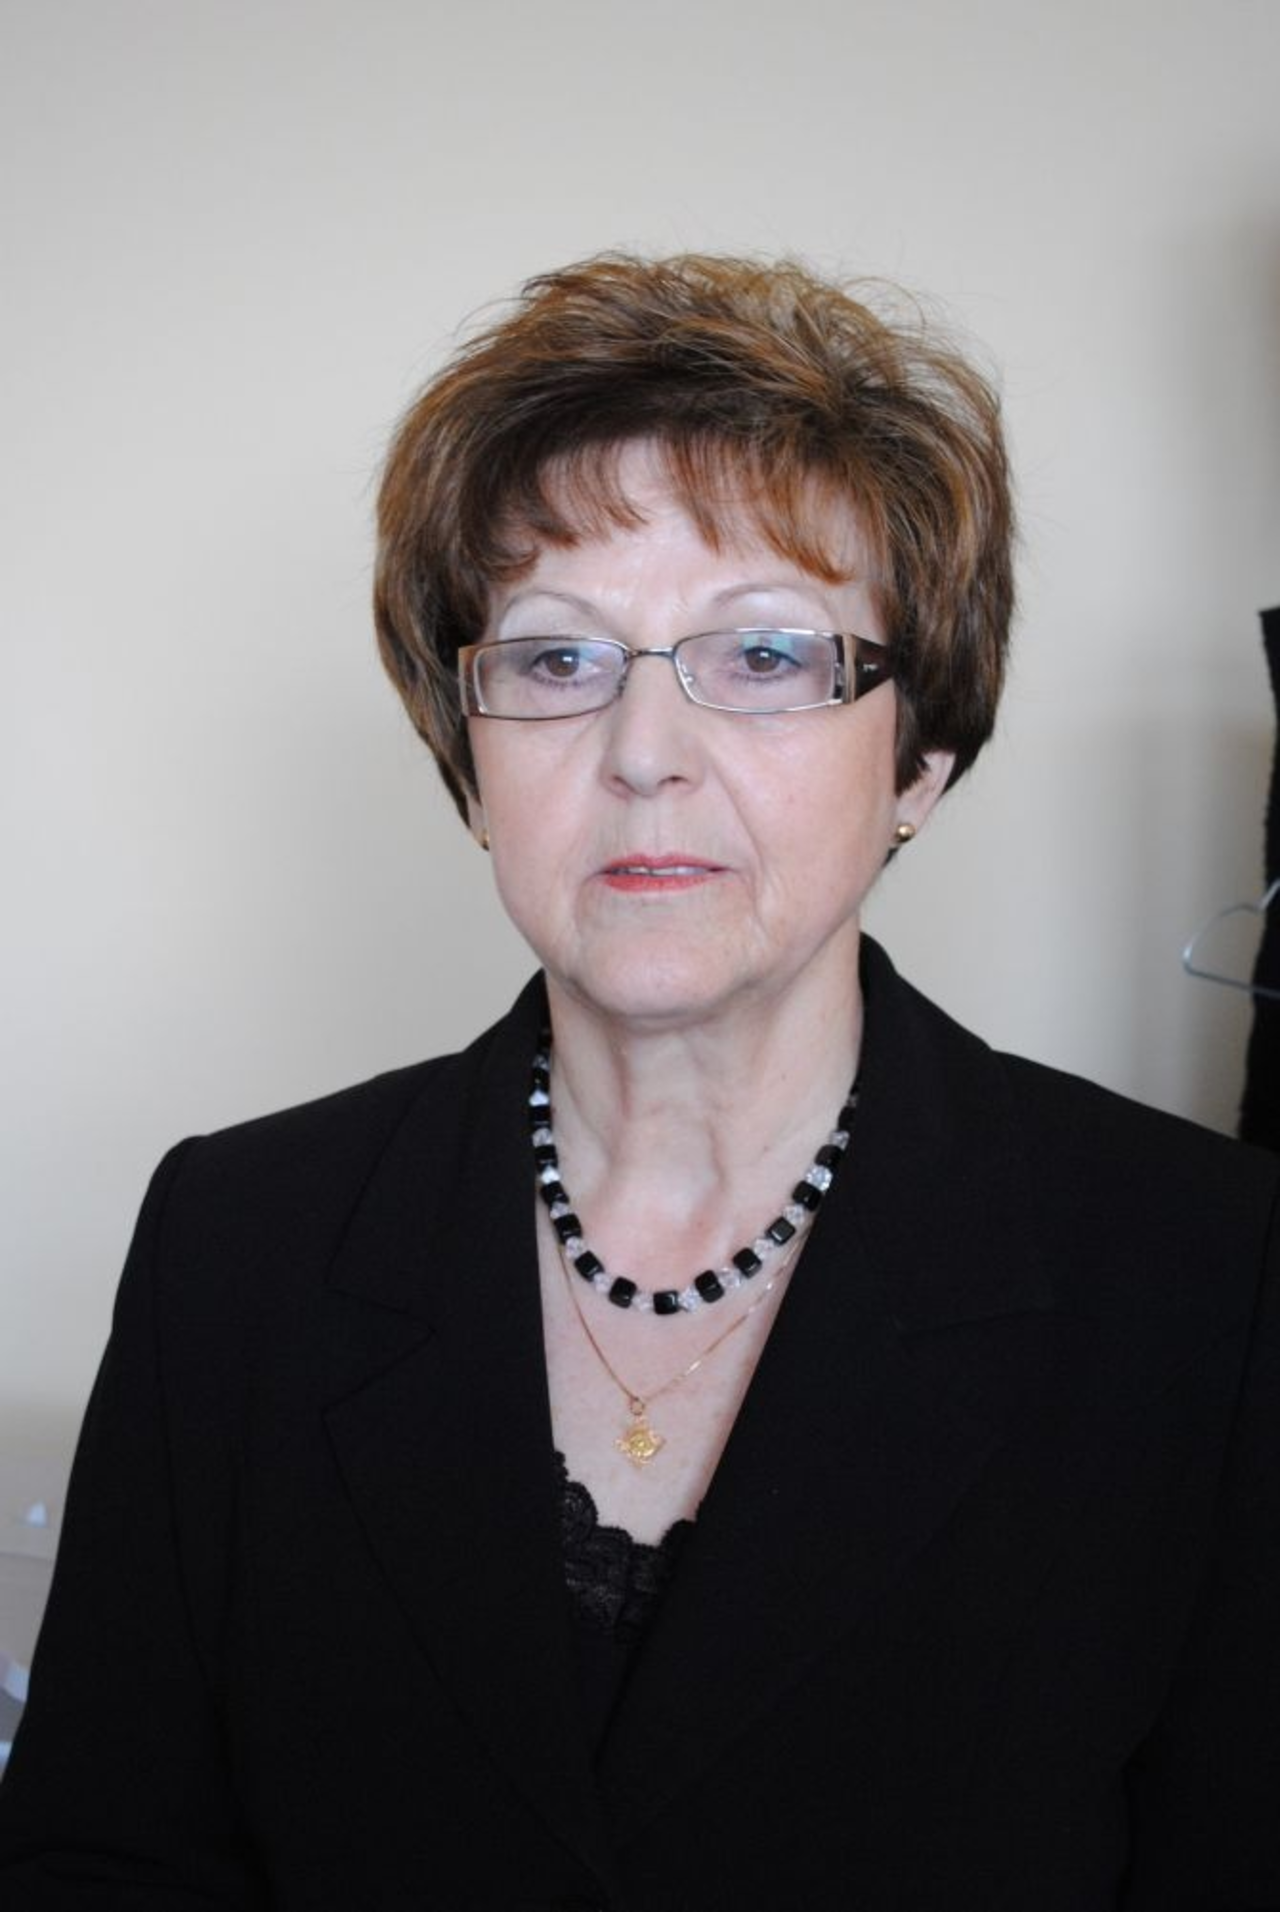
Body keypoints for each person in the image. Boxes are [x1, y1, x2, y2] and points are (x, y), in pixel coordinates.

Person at [0, 253, 1276, 1912]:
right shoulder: (233, 1241)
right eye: (556, 662)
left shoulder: (1205, 1272)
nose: (645, 753)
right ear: (470, 760)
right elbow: (100, 1863)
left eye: (765, 656)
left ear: (921, 758)